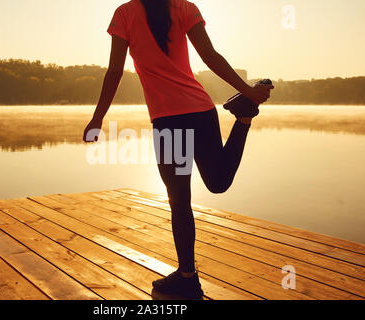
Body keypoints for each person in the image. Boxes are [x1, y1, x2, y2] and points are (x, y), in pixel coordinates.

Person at [83, 0, 273, 299]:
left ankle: (187, 277)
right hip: (200, 110)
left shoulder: (125, 13)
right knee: (217, 183)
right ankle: (244, 117)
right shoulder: (183, 7)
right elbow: (210, 56)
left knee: (180, 201)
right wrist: (247, 90)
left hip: (169, 120)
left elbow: (115, 71)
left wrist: (97, 118)